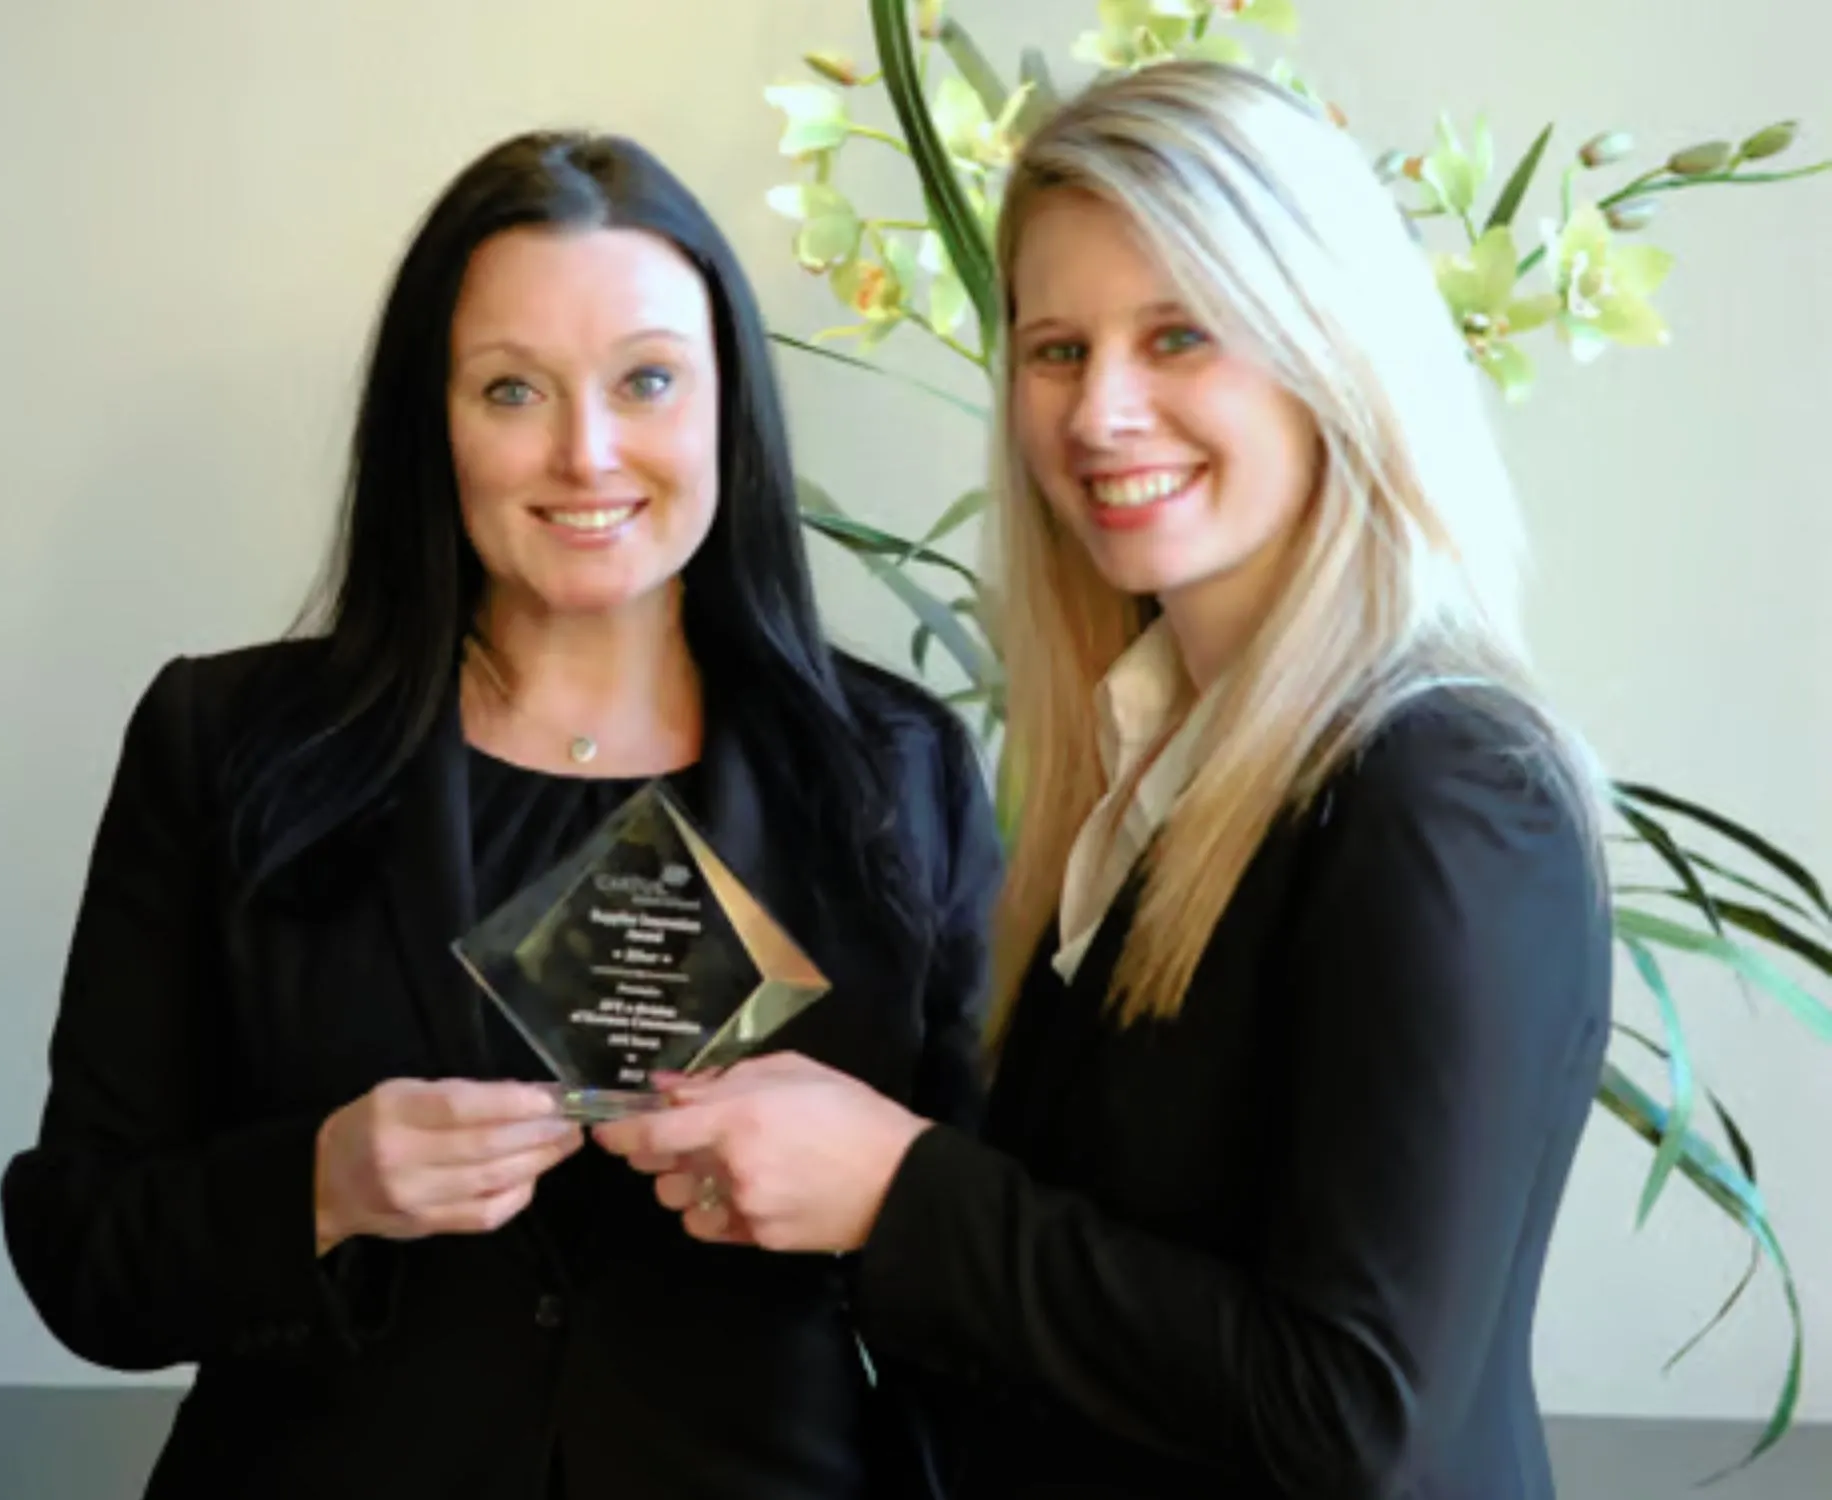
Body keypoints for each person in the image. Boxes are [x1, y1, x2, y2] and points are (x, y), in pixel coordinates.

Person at [598, 60, 1614, 1500]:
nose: (1101, 415)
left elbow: (1357, 1414)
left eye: (1179, 337)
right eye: (1057, 349)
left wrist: (899, 1188)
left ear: (1328, 351)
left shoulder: (1443, 792)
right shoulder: (1146, 764)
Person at [0, 129, 1000, 1500]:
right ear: (434, 417)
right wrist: (322, 1183)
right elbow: (79, 1250)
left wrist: (879, 1195)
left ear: (728, 410)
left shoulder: (898, 770)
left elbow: (998, 1261)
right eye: (512, 389)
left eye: (647, 380)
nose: (587, 453)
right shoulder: (224, 746)